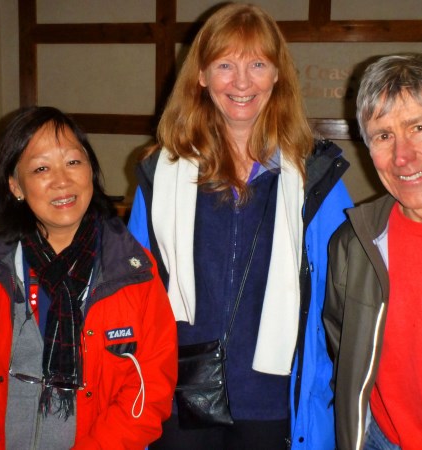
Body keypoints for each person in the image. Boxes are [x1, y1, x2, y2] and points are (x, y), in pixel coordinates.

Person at [127, 3, 352, 449]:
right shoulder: (160, 174)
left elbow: (341, 302)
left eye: (257, 64)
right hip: (180, 394)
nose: (242, 81)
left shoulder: (317, 178)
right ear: (201, 76)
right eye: (225, 65)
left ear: (277, 76)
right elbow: (134, 288)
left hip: (276, 400)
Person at [0, 106, 178, 449]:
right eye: (41, 168)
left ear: (91, 170)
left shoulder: (132, 271)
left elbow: (150, 392)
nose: (62, 180)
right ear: (15, 185)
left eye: (74, 162)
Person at [323, 52, 422, 450]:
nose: (403, 157)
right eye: (383, 136)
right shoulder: (355, 245)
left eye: (418, 126)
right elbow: (344, 347)